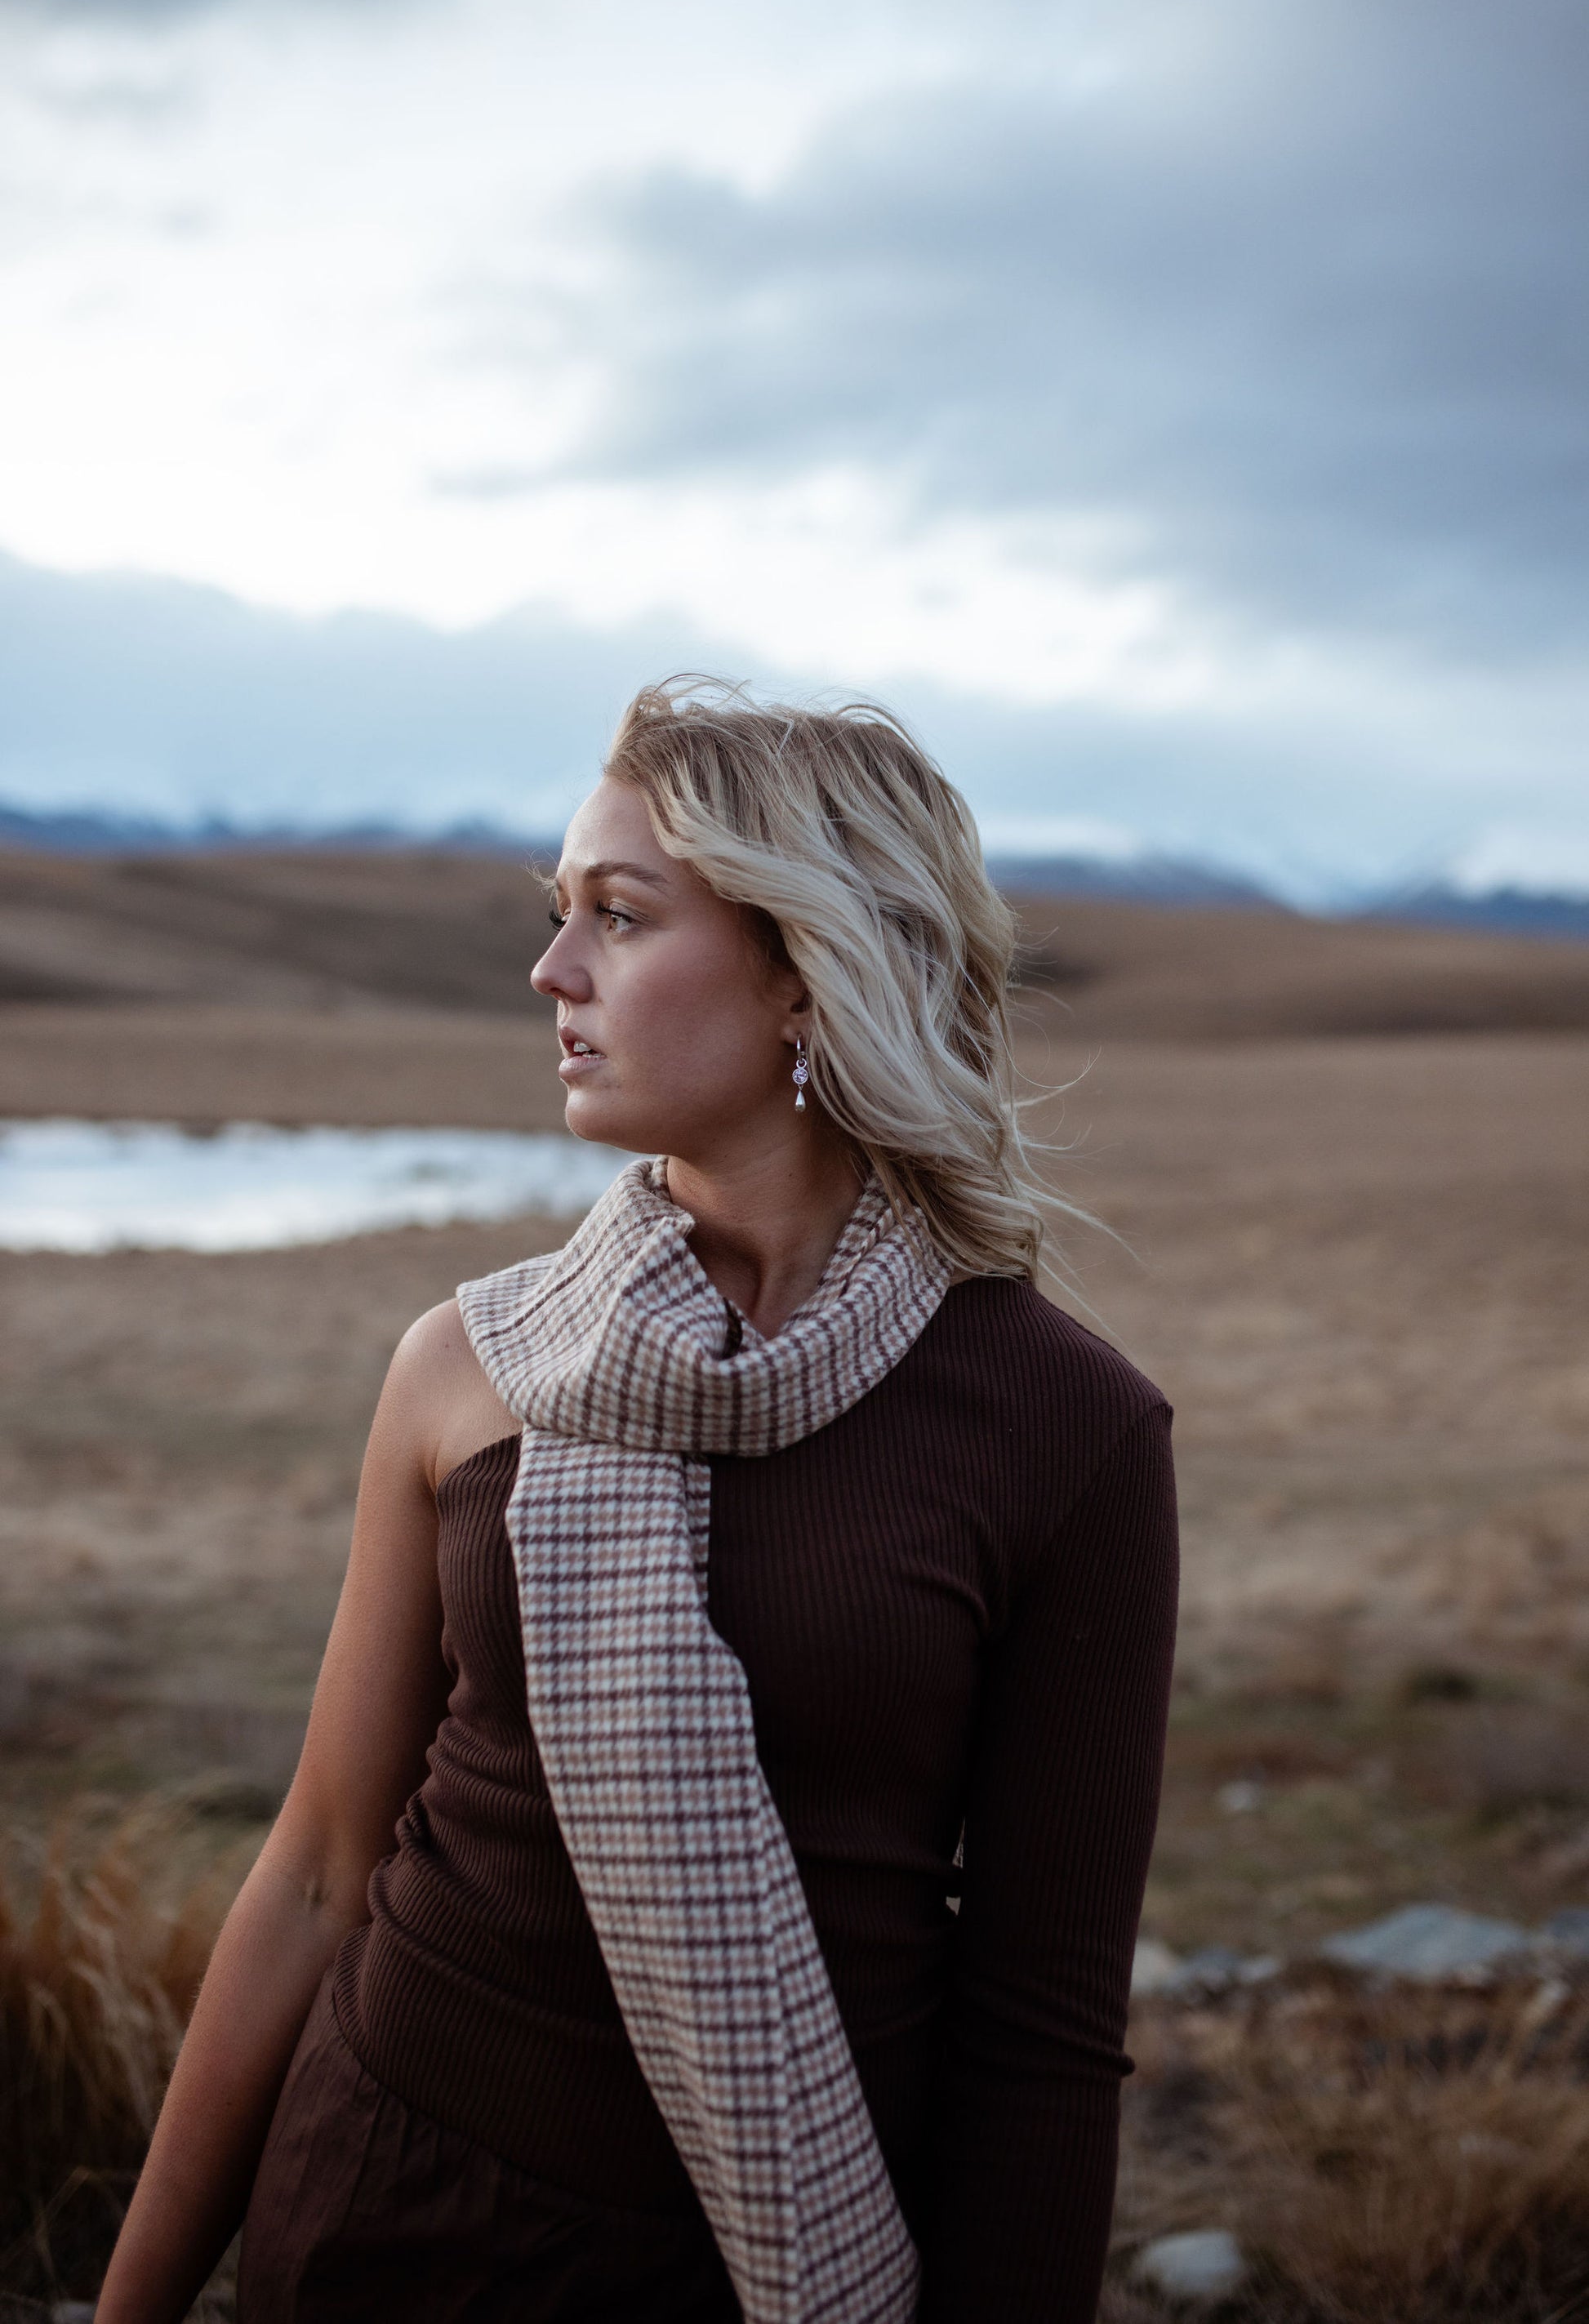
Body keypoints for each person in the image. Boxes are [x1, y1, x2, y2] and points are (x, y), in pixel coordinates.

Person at [97, 679, 1177, 2324]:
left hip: (765, 2262)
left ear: (807, 969)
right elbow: (317, 1871)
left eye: (617, 913)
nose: (552, 970)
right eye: (559, 912)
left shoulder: (1065, 1427)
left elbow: (1040, 2027)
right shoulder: (471, 1363)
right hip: (384, 2203)